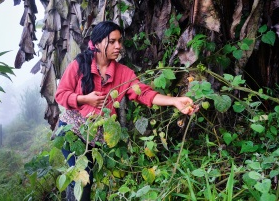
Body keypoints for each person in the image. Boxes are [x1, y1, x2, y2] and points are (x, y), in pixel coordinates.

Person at [55, 21, 197, 201]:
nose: (118, 46)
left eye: (119, 41)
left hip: (94, 138)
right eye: (112, 41)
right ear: (97, 43)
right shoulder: (79, 64)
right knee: (84, 180)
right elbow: (61, 95)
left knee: (81, 179)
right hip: (72, 131)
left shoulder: (123, 73)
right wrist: (85, 99)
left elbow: (144, 93)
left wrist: (175, 101)